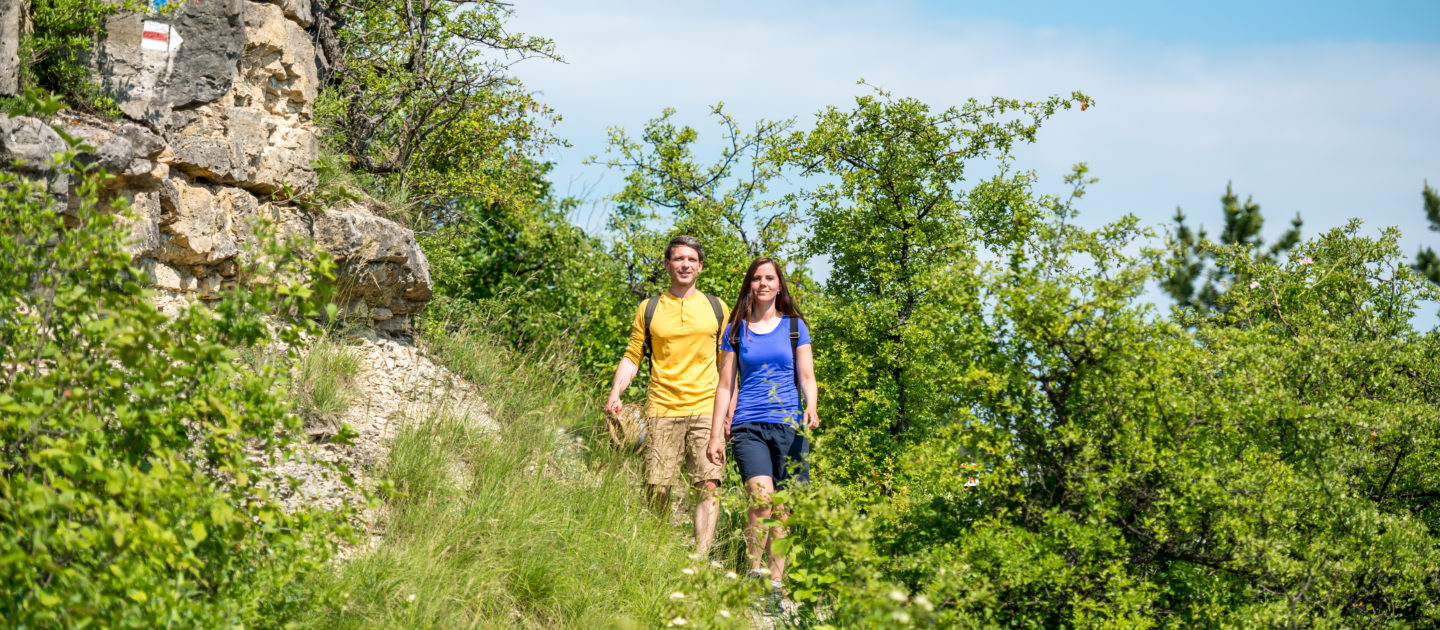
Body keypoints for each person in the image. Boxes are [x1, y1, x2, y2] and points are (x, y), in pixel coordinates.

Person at [605, 235, 729, 554]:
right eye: (678, 259)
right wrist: (616, 391)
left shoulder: (716, 308)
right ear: (667, 264)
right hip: (661, 408)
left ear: (700, 267)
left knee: (708, 484)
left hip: (706, 407)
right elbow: (633, 355)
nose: (684, 265)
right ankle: (659, 549)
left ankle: (700, 557)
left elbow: (727, 366)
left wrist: (729, 411)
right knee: (657, 486)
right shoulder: (649, 308)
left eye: (691, 260)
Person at [705, 257, 817, 598]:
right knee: (761, 499)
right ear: (749, 286)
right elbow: (725, 386)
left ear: (779, 285)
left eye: (769, 278)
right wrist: (715, 434)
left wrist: (811, 407)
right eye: (757, 279)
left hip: (790, 427)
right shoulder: (735, 330)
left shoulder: (795, 326)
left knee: (782, 507)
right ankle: (754, 571)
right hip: (748, 425)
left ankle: (776, 584)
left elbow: (807, 376)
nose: (763, 284)